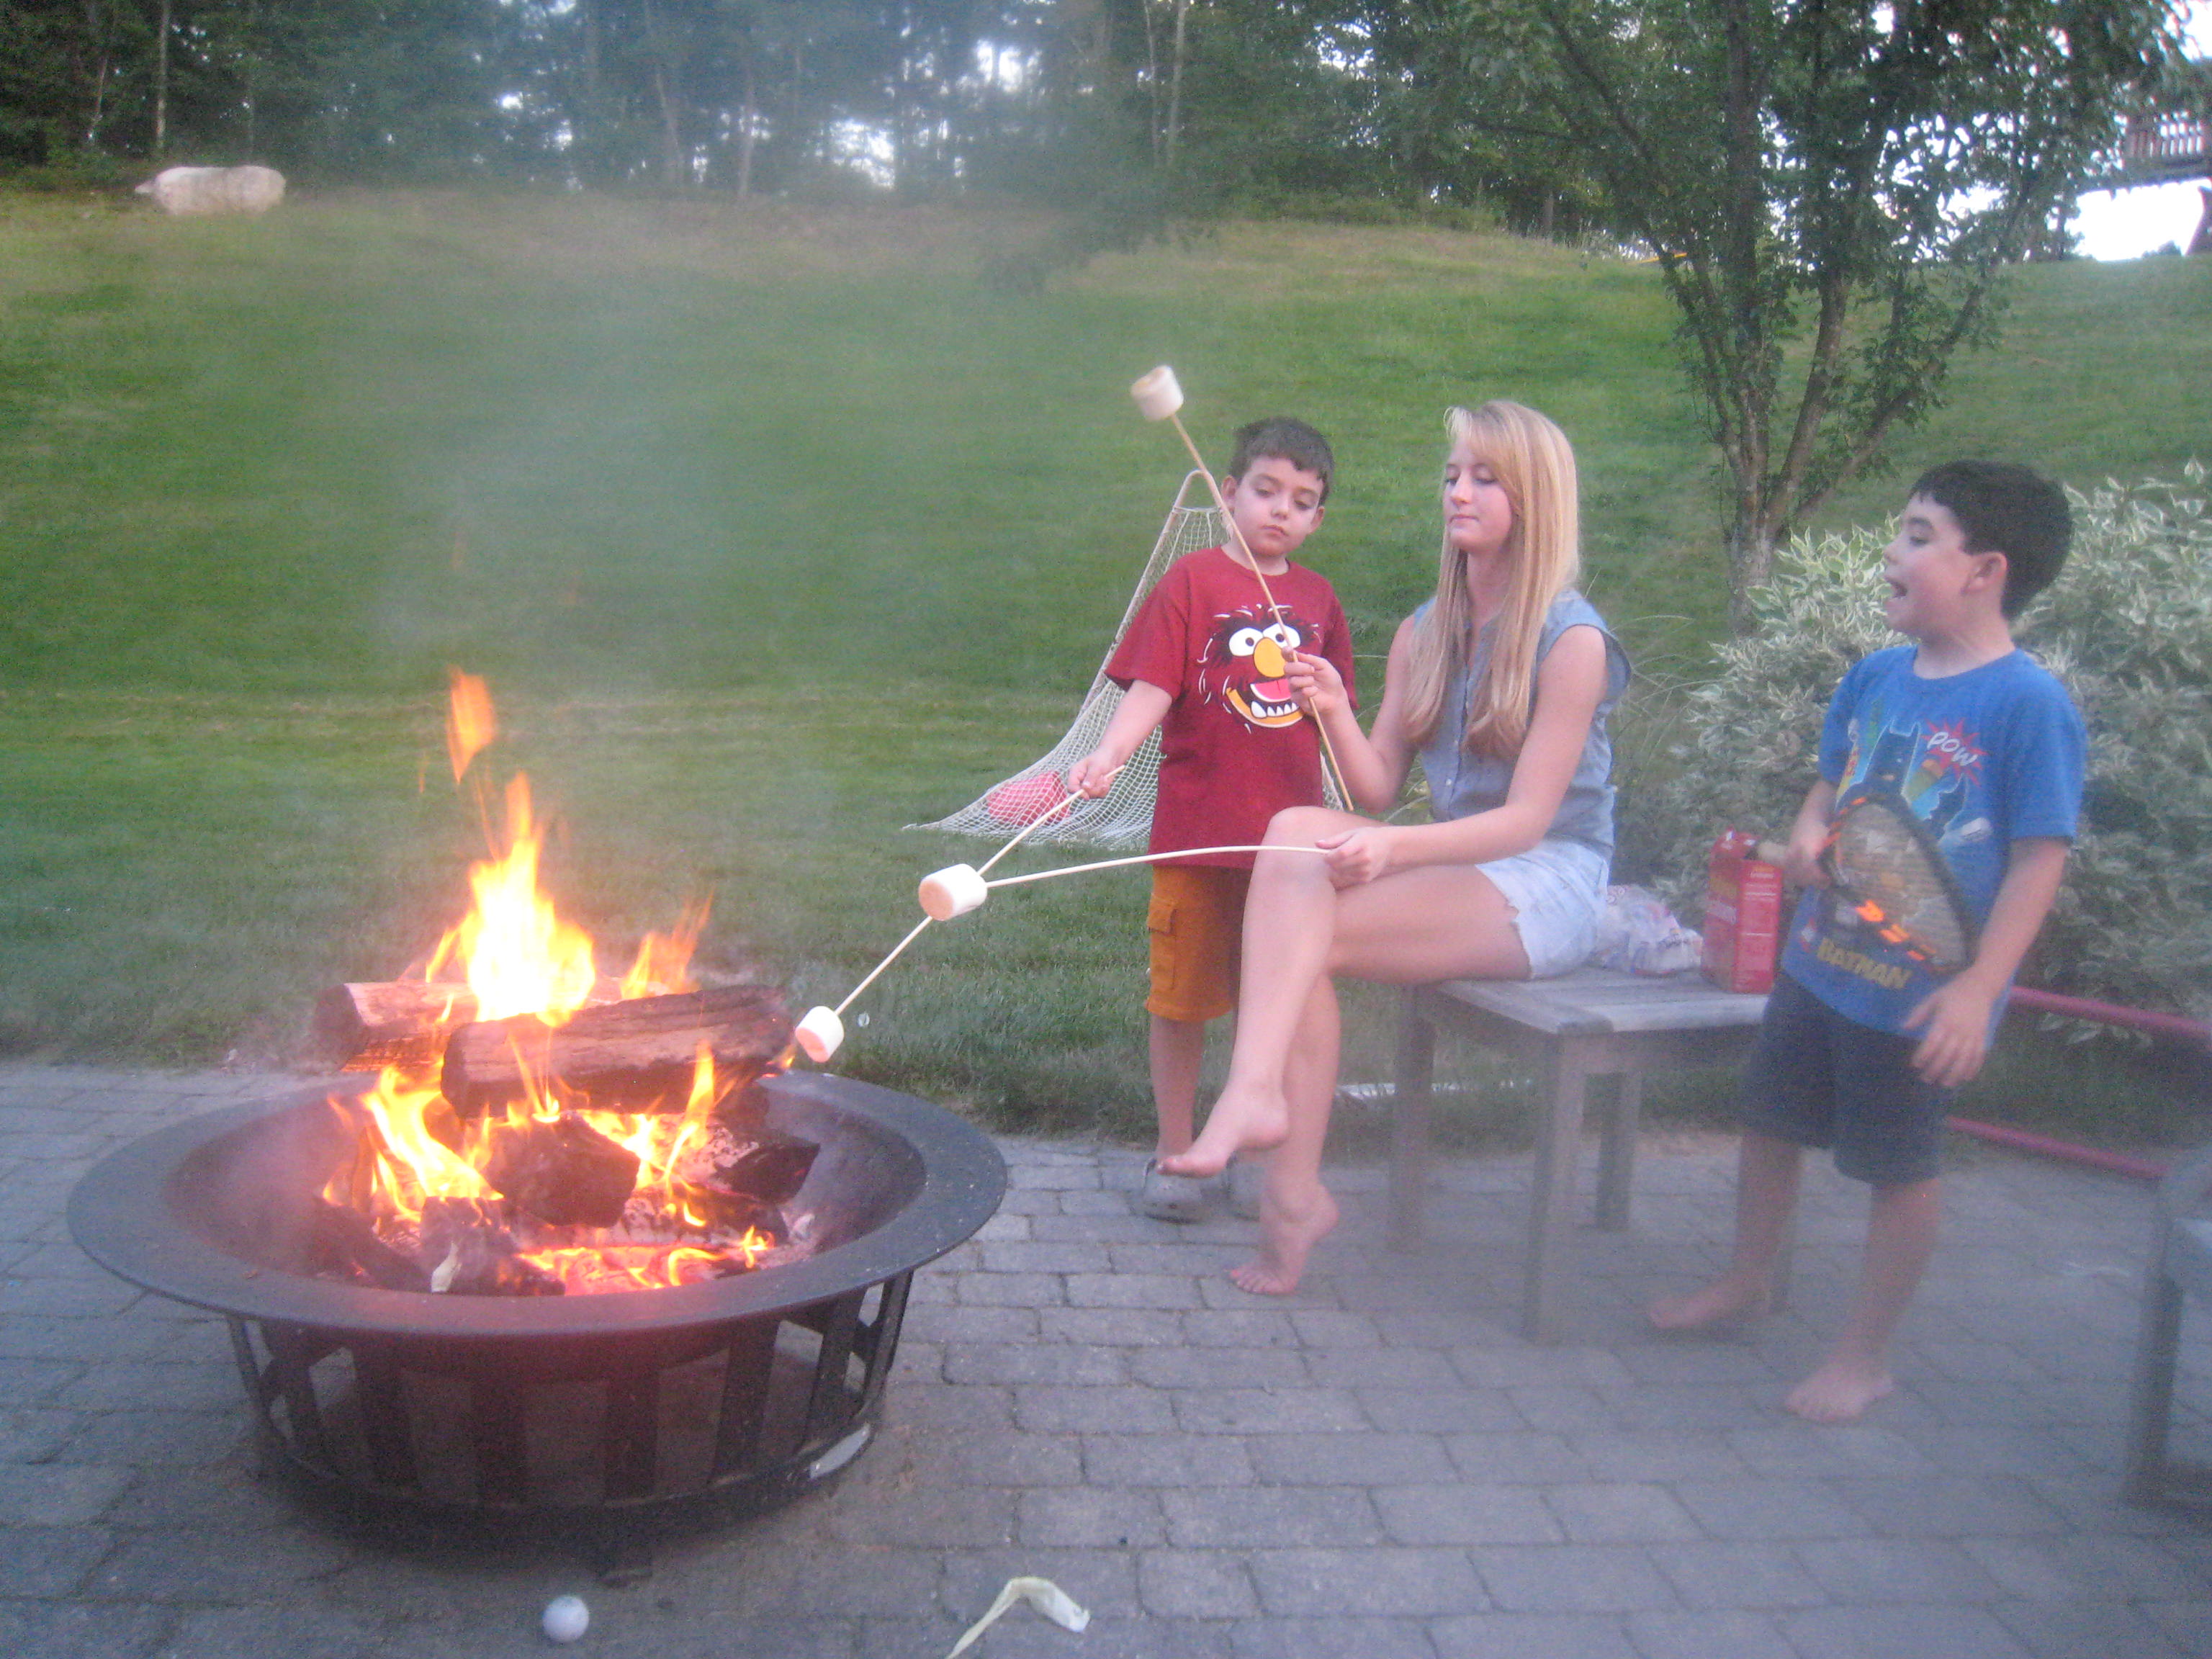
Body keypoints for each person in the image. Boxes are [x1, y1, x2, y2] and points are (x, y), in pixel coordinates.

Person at [1158, 400, 1630, 1295]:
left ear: (1534, 498)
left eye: (1484, 478)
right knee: (1293, 837)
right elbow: (1373, 788)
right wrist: (1333, 706)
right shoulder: (1425, 631)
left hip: (1548, 881)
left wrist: (1397, 853)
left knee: (1301, 933)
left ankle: (1284, 1172)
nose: (1458, 492)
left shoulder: (1571, 641)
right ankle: (1276, 1149)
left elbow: (1528, 823)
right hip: (1461, 867)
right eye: (1453, 475)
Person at [1647, 461, 2085, 1424]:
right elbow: (1830, 780)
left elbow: (2038, 861)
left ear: (1986, 571)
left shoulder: (2028, 706)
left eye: (1919, 536)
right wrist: (1808, 832)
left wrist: (1979, 991)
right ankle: (1749, 1280)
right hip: (1819, 965)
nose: (1893, 550)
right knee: (1770, 1122)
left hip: (1918, 1000)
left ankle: (1865, 1354)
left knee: (1899, 1167)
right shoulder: (1876, 676)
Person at [1069, 417, 1356, 1221]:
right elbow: (1154, 685)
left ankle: (1255, 1148)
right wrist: (1112, 752)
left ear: (1318, 518)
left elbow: (1335, 714)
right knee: (1182, 1001)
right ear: (1229, 493)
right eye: (1265, 491)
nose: (1280, 510)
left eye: (1302, 501)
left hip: (1288, 856)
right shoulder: (1192, 582)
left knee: (1276, 1008)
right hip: (1197, 837)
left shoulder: (1319, 600)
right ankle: (1176, 1150)